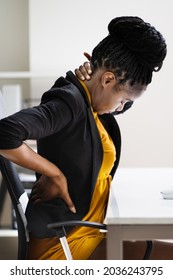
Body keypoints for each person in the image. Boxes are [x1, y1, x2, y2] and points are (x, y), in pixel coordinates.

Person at [0, 16, 168, 260]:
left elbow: (111, 99)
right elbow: (5, 132)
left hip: (87, 234)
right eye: (122, 101)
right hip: (66, 246)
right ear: (108, 79)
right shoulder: (70, 102)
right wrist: (53, 173)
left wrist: (97, 77)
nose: (121, 108)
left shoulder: (90, 102)